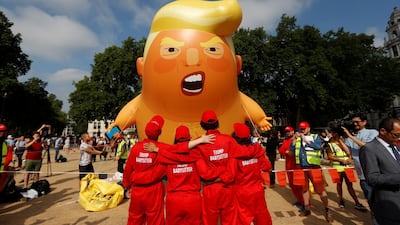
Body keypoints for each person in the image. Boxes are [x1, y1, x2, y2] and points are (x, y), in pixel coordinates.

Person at [195, 110, 264, 225]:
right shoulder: (228, 140)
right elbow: (244, 152)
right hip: (228, 188)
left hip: (210, 189)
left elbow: (204, 173)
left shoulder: (198, 144)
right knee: (230, 220)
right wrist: (257, 148)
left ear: (202, 125)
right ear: (217, 123)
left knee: (209, 221)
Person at [123, 115, 170, 225]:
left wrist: (127, 185)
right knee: (156, 219)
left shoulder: (136, 148)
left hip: (137, 190)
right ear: (159, 133)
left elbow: (128, 169)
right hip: (154, 190)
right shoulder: (161, 148)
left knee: (135, 218)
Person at [290, 121, 333, 222]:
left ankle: (327, 211)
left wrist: (305, 139)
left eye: (304, 128)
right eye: (300, 128)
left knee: (320, 190)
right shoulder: (297, 138)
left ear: (308, 128)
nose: (302, 130)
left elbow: (318, 146)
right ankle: (306, 209)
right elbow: (291, 150)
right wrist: (294, 140)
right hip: (300, 167)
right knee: (304, 188)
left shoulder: (315, 137)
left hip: (313, 167)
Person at [360, 117, 400, 225]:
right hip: (389, 206)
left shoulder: (395, 147)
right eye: (396, 135)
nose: (399, 138)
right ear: (383, 131)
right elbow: (372, 178)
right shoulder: (369, 149)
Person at [231, 123, 273, 225]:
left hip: (241, 192)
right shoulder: (257, 149)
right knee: (262, 218)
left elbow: (230, 176)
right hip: (257, 190)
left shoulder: (232, 153)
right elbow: (268, 167)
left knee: (241, 220)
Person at [343, 114, 378, 209]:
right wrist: (338, 138)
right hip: (362, 175)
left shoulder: (372, 132)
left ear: (364, 122)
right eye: (353, 122)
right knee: (371, 202)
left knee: (382, 201)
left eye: (357, 122)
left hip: (376, 173)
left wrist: (350, 136)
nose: (354, 124)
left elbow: (366, 146)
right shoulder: (349, 138)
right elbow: (347, 152)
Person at [326, 132, 367, 211]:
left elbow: (349, 154)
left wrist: (349, 158)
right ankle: (341, 200)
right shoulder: (330, 145)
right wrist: (340, 160)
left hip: (347, 167)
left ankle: (357, 202)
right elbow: (330, 156)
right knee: (339, 184)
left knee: (350, 185)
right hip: (336, 167)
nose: (339, 136)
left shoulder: (345, 144)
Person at [278, 126, 304, 210]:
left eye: (289, 131)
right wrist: (287, 152)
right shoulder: (286, 140)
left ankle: (305, 203)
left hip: (297, 166)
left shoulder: (298, 140)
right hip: (289, 166)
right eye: (286, 132)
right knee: (292, 185)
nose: (287, 133)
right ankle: (299, 200)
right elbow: (281, 150)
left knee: (300, 185)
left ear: (293, 131)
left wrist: (288, 152)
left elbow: (293, 153)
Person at [0, 124, 17, 202]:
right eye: (0, 131)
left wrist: (7, 167)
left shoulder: (6, 144)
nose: (2, 133)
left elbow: (9, 157)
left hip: (3, 171)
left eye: (4, 131)